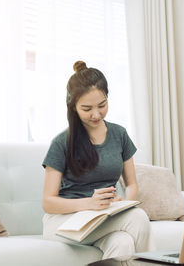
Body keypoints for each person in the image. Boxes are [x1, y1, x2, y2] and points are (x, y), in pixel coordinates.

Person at [42, 60, 151, 260]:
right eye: (87, 108)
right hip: (63, 221)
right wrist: (89, 204)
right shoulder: (61, 142)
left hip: (102, 217)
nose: (96, 114)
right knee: (138, 218)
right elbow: (48, 202)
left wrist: (123, 204)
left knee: (123, 244)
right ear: (73, 107)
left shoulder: (119, 134)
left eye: (102, 105)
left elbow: (132, 184)